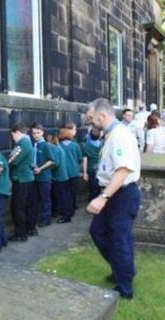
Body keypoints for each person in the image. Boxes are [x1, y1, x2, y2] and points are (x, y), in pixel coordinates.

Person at [86, 98, 141, 299]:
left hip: (121, 194)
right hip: (113, 192)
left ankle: (125, 286)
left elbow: (123, 170)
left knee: (119, 238)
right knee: (98, 231)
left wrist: (103, 197)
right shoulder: (111, 135)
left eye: (91, 118)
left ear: (102, 115)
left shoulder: (118, 136)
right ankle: (122, 268)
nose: (89, 122)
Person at [8, 122, 34, 241]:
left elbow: (12, 160)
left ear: (17, 132)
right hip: (26, 178)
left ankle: (21, 234)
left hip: (21, 179)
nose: (13, 139)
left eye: (13, 135)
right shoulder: (28, 142)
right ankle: (30, 228)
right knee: (27, 205)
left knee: (17, 207)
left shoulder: (22, 143)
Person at [29, 123, 54, 227]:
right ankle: (38, 217)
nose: (36, 135)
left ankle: (46, 218)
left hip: (44, 177)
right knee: (35, 199)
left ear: (42, 132)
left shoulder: (46, 145)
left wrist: (40, 168)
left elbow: (51, 161)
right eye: (34, 133)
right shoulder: (33, 145)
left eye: (38, 133)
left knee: (45, 198)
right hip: (34, 176)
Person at [58, 126, 82, 215]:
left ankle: (65, 209)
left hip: (63, 173)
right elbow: (80, 158)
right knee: (73, 192)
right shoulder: (75, 145)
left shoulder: (59, 145)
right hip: (74, 172)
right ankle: (72, 207)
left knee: (64, 193)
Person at [50, 135, 73, 223]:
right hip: (64, 176)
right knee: (65, 196)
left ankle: (66, 216)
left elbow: (56, 163)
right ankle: (68, 213)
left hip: (58, 177)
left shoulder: (55, 149)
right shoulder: (60, 148)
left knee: (61, 197)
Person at [82, 127, 102, 201]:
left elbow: (85, 159)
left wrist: (84, 172)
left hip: (91, 167)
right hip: (100, 166)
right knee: (100, 183)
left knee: (92, 184)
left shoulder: (86, 145)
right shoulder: (102, 144)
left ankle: (93, 198)